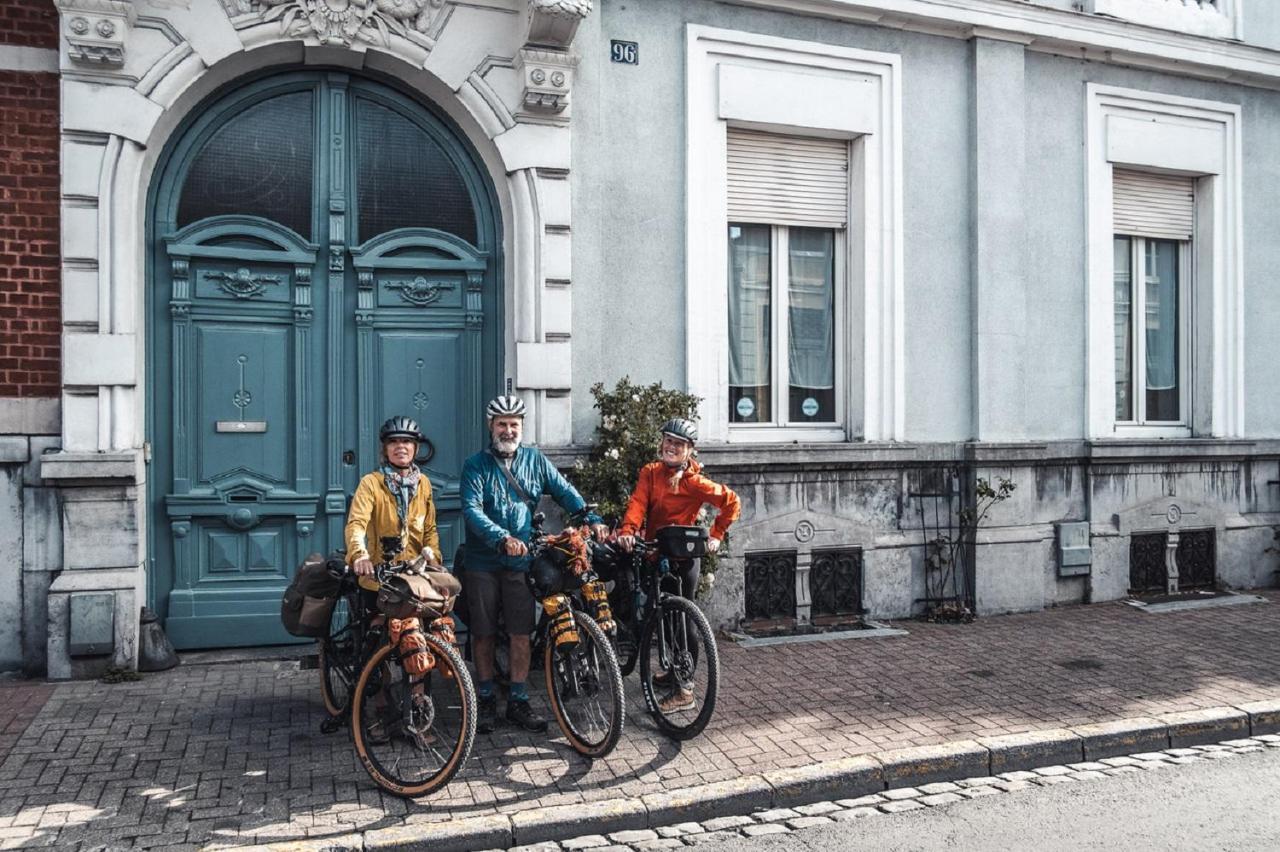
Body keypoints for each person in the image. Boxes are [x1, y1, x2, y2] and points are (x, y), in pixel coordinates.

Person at [460, 394, 606, 734]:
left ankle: (518, 699)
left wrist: (589, 516)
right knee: (482, 633)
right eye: (502, 424)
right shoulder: (475, 465)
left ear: (521, 427)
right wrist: (500, 537)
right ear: (491, 427)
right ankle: (484, 697)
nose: (508, 430)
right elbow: (472, 509)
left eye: (514, 425)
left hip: (521, 560)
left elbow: (564, 490)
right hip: (484, 560)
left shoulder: (535, 460)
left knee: (520, 631)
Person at [616, 417, 740, 711]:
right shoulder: (650, 473)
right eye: (668, 441)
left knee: (682, 621)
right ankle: (672, 671)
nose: (671, 447)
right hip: (656, 553)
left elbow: (731, 502)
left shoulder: (694, 483)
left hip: (684, 559)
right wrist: (628, 531)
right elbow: (637, 504)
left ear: (689, 451)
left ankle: (685, 688)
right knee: (658, 616)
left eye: (679, 444)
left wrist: (716, 535)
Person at [345, 415, 441, 576]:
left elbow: (429, 529)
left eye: (406, 441)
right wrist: (359, 555)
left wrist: (434, 559)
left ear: (416, 448)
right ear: (385, 449)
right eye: (393, 442)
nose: (400, 447)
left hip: (415, 575)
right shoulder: (371, 483)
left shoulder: (423, 483)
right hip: (378, 575)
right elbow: (357, 523)